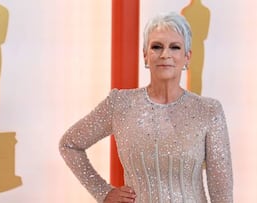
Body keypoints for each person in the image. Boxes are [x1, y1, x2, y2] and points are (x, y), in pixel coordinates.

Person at [59, 12, 233, 203]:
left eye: (174, 47)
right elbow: (69, 144)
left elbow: (221, 192)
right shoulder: (120, 104)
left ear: (187, 57)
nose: (165, 54)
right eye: (157, 47)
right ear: (145, 55)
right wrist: (103, 192)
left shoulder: (208, 111)